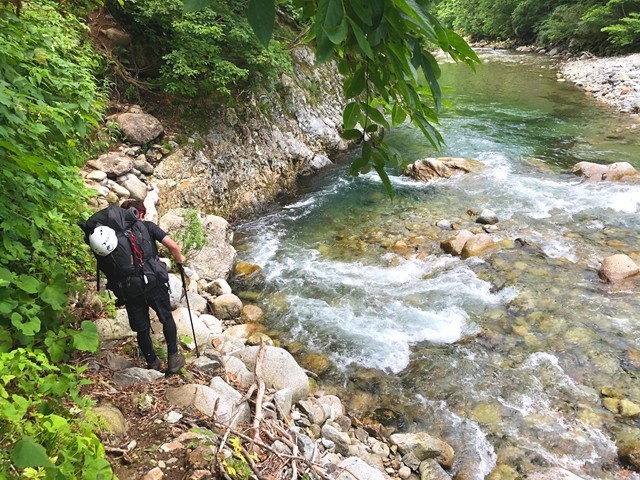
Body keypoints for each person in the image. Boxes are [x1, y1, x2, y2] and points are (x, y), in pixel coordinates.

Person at [117, 199, 186, 373]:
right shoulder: (148, 227)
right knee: (166, 317)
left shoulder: (115, 235)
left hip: (130, 287)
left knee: (142, 328)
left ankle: (152, 362)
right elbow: (172, 245)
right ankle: (173, 358)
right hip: (153, 281)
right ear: (140, 214)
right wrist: (180, 261)